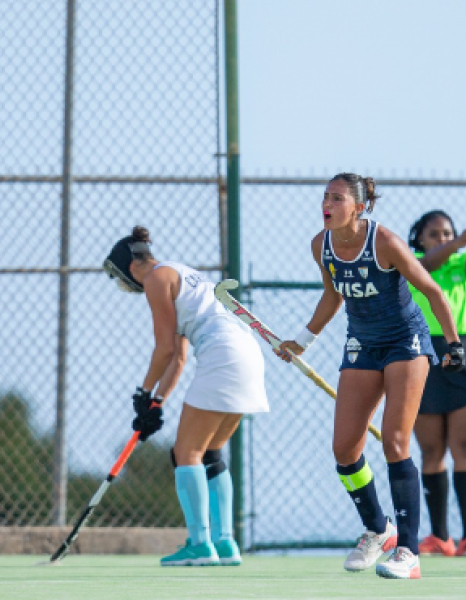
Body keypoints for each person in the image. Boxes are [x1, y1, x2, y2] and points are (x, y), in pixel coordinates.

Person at [277, 173, 464, 580]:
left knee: (395, 441)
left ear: (358, 207)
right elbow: (333, 295)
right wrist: (302, 341)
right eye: (325, 197)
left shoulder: (385, 242)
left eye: (337, 198)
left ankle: (409, 552)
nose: (327, 204)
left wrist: (453, 344)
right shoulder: (321, 245)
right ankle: (379, 529)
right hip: (362, 343)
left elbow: (431, 290)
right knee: (345, 449)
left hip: (406, 342)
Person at [103, 226, 269, 567]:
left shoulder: (155, 279)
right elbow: (178, 358)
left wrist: (142, 392)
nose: (125, 285)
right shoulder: (180, 272)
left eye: (121, 277)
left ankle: (200, 544)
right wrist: (156, 403)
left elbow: (164, 349)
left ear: (132, 267)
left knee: (186, 453)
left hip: (222, 355)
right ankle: (225, 543)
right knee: (210, 452)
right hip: (248, 355)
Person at [406, 210, 466, 557]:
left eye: (448, 234)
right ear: (420, 238)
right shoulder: (411, 263)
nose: (443, 239)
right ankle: (440, 536)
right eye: (435, 234)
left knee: (463, 446)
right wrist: (458, 242)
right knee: (431, 450)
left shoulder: (461, 264)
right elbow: (427, 264)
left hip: (460, 352)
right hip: (423, 353)